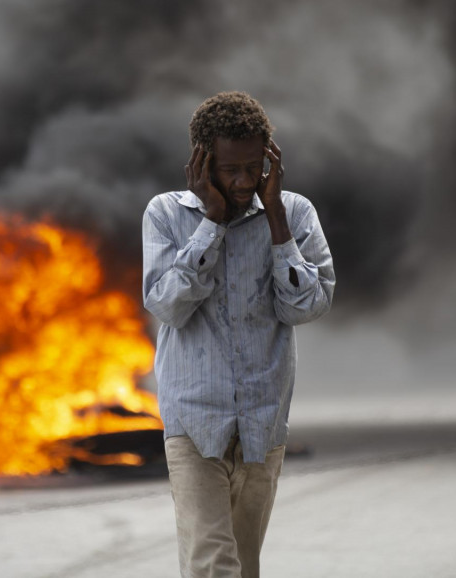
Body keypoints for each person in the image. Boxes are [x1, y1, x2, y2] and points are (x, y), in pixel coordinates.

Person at [142, 91, 335, 578]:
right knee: (214, 563)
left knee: (243, 564)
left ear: (271, 159)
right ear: (201, 163)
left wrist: (275, 222)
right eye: (230, 169)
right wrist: (212, 223)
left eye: (254, 167)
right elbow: (166, 303)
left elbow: (307, 305)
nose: (244, 181)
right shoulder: (166, 215)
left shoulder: (293, 212)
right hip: (193, 425)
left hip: (262, 425)